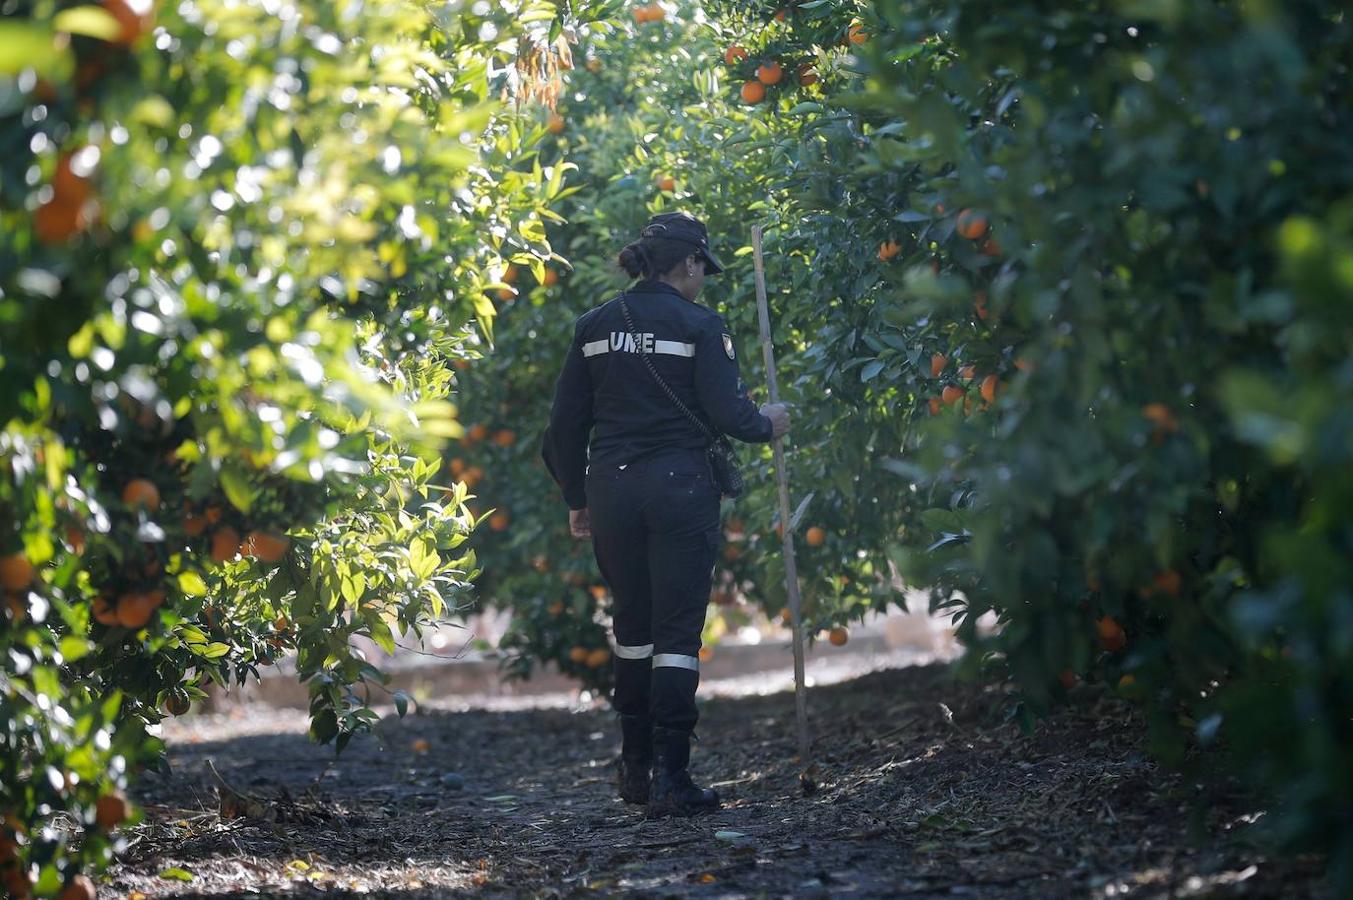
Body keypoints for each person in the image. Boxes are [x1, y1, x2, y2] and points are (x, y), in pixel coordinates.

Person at [542, 211, 790, 818]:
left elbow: (561, 431)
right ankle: (673, 777)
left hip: (613, 490)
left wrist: (578, 497)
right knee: (676, 635)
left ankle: (635, 766)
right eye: (703, 265)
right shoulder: (700, 325)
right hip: (681, 488)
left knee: (633, 628)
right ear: (687, 264)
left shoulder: (594, 326)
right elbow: (732, 415)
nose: (704, 276)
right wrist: (770, 423)